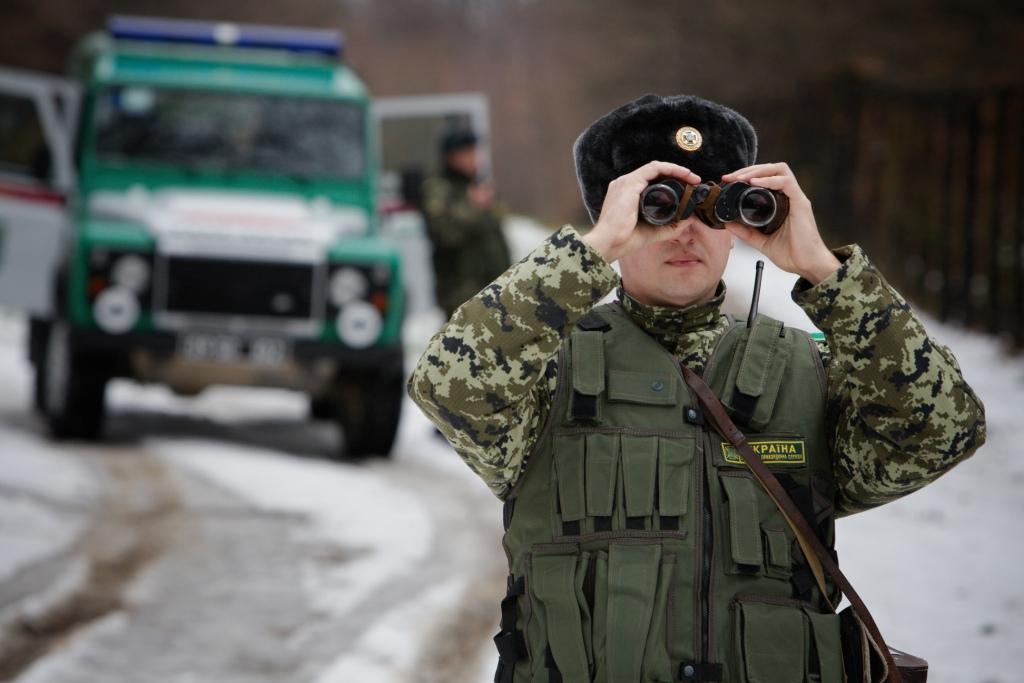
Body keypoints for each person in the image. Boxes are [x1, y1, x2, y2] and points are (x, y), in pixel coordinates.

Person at [408, 94, 986, 683]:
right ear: (617, 218)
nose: (686, 231)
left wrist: (825, 270)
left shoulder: (808, 373)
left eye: (713, 209)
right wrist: (591, 252)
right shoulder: (544, 372)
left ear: (738, 226)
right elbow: (447, 384)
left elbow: (945, 430)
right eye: (659, 207)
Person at [420, 127, 511, 318]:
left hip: (495, 291)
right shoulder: (439, 189)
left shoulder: (479, 186)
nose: (474, 158)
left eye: (474, 152)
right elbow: (445, 234)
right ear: (451, 157)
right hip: (461, 296)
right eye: (466, 153)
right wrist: (473, 207)